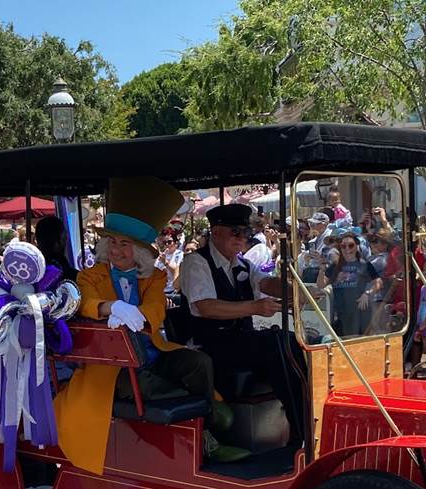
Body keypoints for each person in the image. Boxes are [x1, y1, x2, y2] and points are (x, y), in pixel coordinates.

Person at [55, 177, 247, 473]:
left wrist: (139, 316)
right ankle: (208, 433)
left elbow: (157, 308)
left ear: (140, 250)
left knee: (198, 362)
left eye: (125, 244)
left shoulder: (154, 277)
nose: (117, 250)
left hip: (152, 352)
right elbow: (84, 302)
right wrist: (109, 307)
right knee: (149, 385)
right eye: (113, 242)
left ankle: (207, 420)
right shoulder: (90, 276)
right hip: (112, 367)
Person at [177, 202, 308, 448]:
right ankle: (301, 434)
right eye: (235, 232)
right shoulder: (196, 262)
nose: (241, 238)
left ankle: (304, 425)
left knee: (293, 343)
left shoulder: (243, 264)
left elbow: (265, 282)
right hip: (210, 346)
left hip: (239, 343)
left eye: (245, 232)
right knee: (277, 344)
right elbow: (206, 307)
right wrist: (255, 307)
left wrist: (294, 290)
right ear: (216, 232)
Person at [319, 233, 381, 337]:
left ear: (357, 246)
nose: (347, 249)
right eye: (343, 246)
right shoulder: (335, 266)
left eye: (351, 245)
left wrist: (367, 293)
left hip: (361, 315)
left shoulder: (364, 264)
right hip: (341, 315)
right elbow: (321, 285)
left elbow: (378, 283)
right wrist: (321, 271)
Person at [35, 215, 78, 282]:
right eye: (65, 236)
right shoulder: (74, 277)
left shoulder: (30, 276)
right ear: (61, 239)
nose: (67, 239)